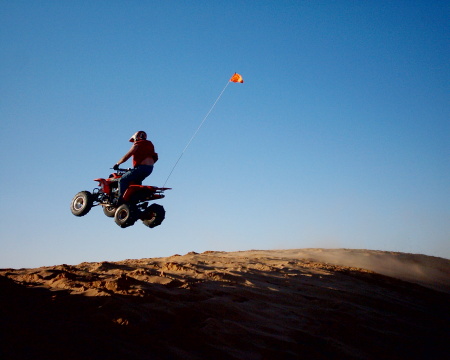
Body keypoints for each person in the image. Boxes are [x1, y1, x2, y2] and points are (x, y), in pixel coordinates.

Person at [112, 131, 158, 204]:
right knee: (136, 183)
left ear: (136, 137)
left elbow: (127, 155)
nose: (133, 142)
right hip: (149, 169)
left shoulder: (137, 144)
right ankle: (133, 200)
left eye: (133, 140)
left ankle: (120, 200)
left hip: (141, 168)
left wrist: (117, 164)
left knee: (122, 180)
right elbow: (154, 157)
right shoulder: (150, 144)